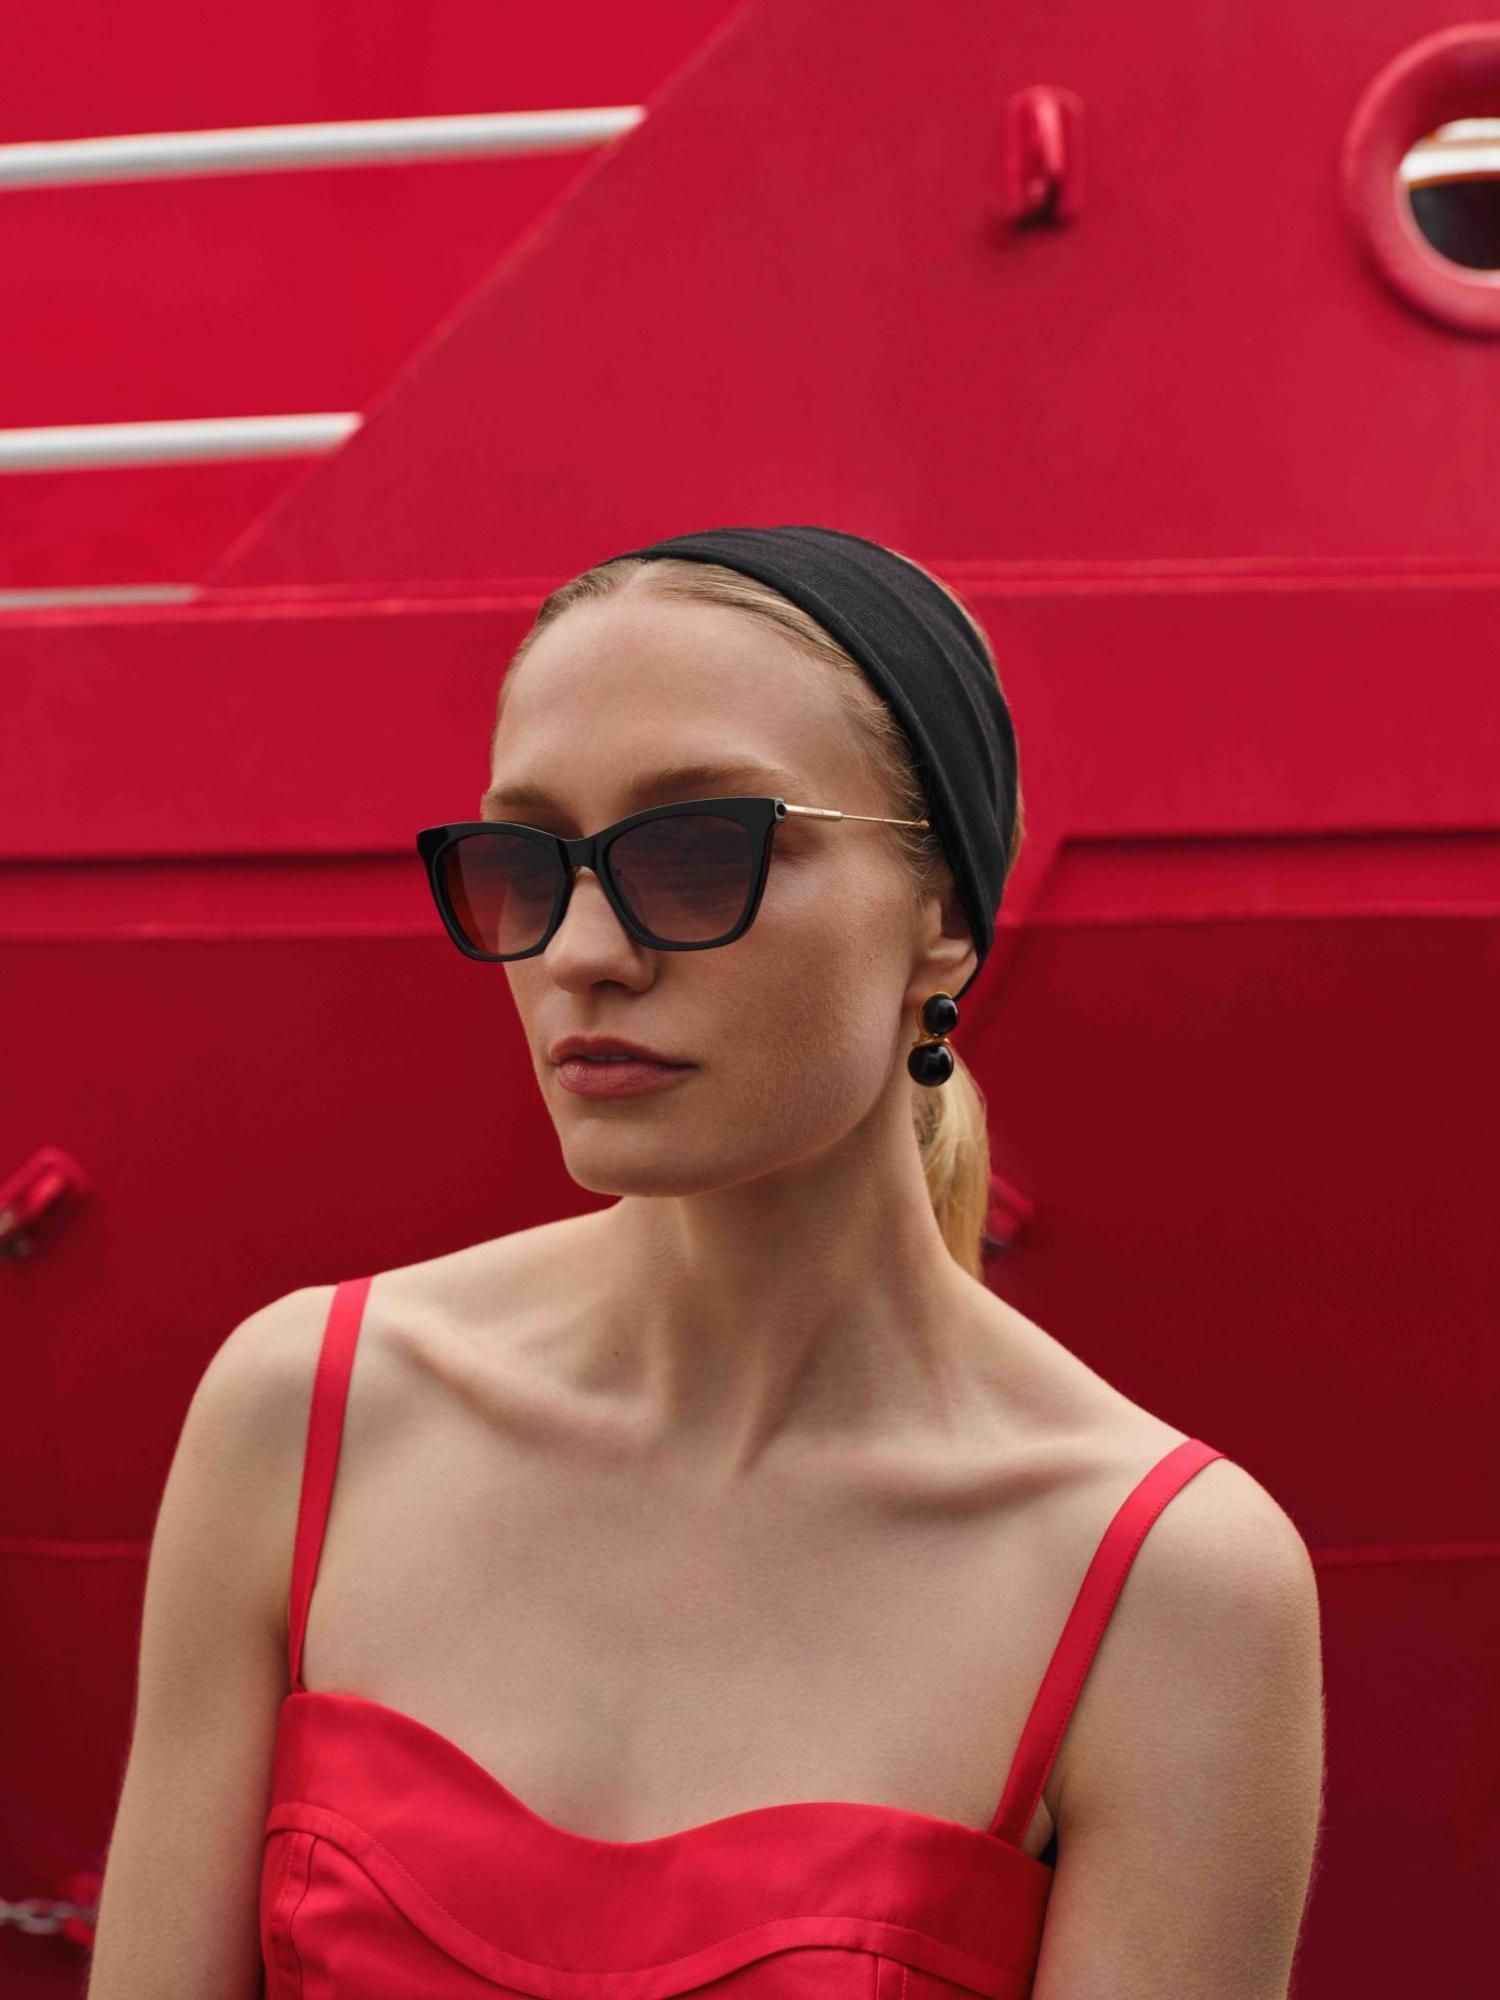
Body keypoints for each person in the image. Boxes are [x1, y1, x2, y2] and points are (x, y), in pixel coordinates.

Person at [88, 526, 1325, 1998]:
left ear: (943, 916)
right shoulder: (308, 1412)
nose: (579, 954)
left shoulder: (1171, 1591)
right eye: (530, 859)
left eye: (698, 852)